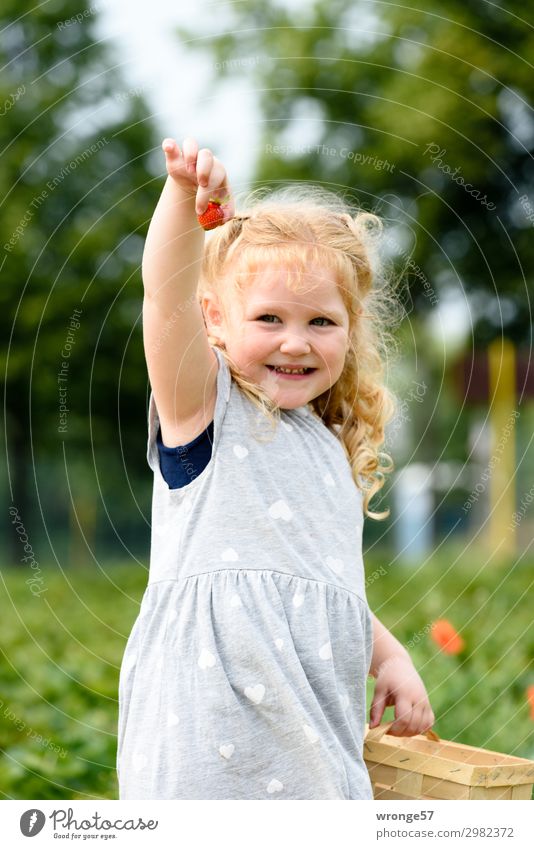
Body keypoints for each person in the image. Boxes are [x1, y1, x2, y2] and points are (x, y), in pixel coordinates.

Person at [116, 136, 435, 800]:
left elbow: (312, 582)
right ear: (217, 321)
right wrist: (181, 200)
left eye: (322, 320)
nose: (296, 340)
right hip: (213, 744)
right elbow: (164, 301)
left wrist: (391, 655)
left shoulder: (328, 446)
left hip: (314, 747)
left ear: (351, 331)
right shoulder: (204, 409)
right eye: (269, 317)